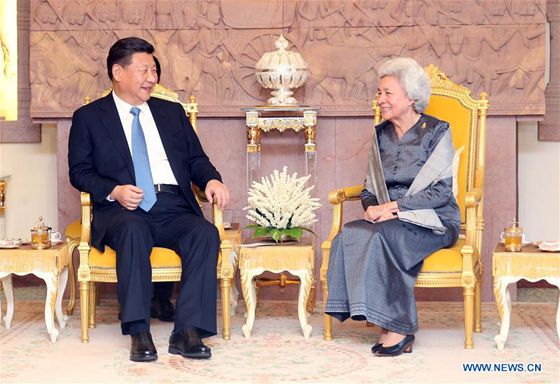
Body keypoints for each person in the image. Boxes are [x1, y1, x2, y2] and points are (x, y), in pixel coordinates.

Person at [68, 37, 229, 362]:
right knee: (133, 230)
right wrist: (114, 190)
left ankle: (187, 332)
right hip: (121, 207)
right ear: (118, 72)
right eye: (144, 70)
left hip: (172, 205)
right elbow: (79, 171)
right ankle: (139, 331)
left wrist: (211, 179)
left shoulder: (171, 112)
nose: (152, 78)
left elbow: (196, 159)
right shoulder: (89, 116)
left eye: (154, 71)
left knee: (204, 233)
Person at [325, 57, 460, 357]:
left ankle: (400, 327)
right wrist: (373, 207)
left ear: (411, 97)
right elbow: (369, 188)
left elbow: (441, 192)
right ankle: (380, 318)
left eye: (387, 93)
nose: (380, 99)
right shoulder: (380, 134)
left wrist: (394, 207)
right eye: (379, 92)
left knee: (383, 236)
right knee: (349, 233)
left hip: (435, 219)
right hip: (389, 218)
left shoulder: (437, 131)